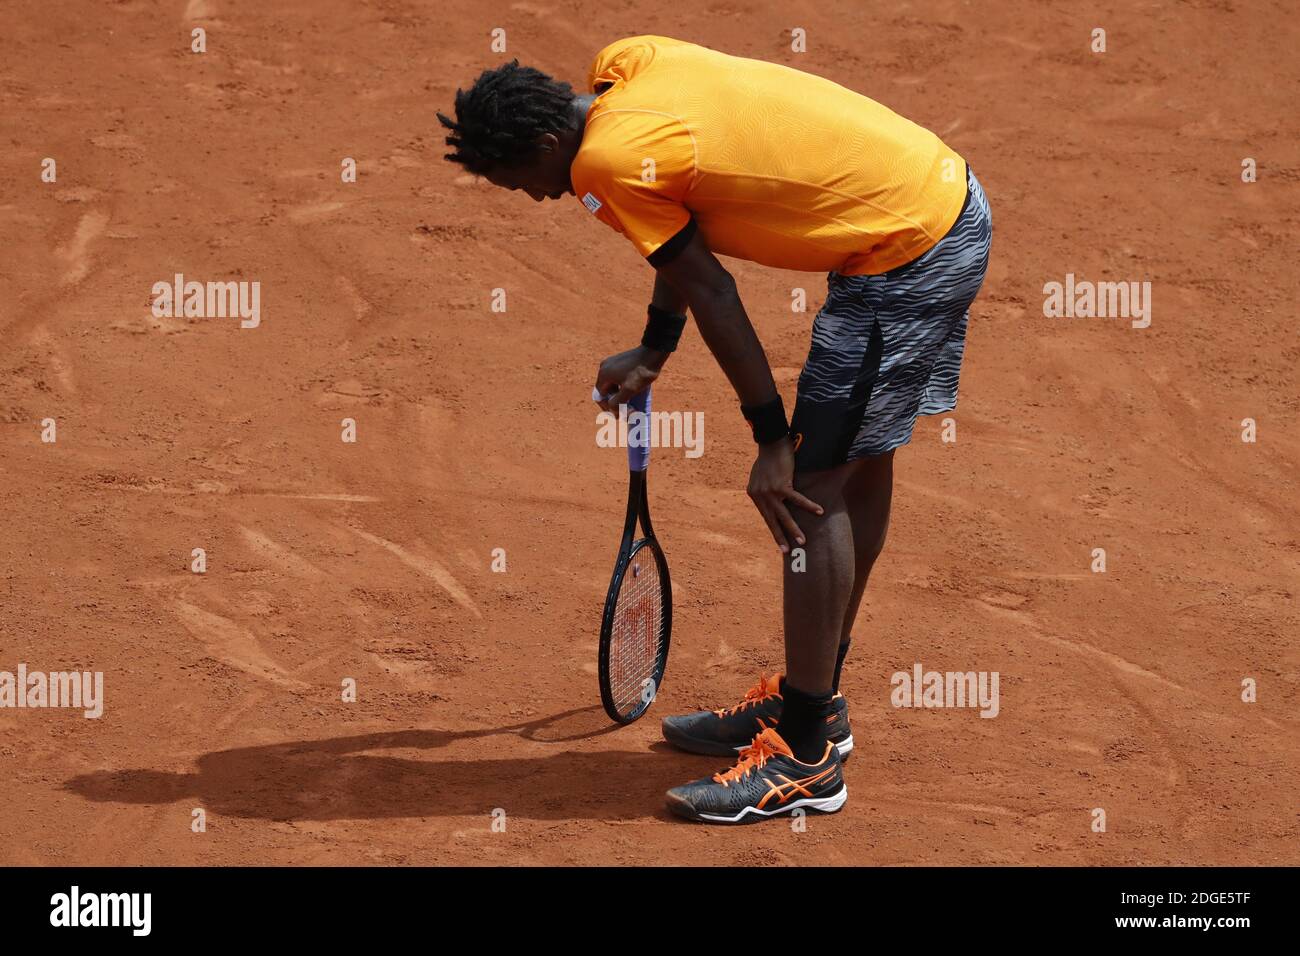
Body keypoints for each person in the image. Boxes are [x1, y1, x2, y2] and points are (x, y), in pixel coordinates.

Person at [438, 35, 992, 824]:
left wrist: (772, 441)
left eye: (517, 179)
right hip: (937, 199)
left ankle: (806, 758)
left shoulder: (599, 168)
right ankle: (814, 702)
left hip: (906, 251)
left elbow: (714, 288)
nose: (529, 197)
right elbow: (679, 224)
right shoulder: (625, 67)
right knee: (856, 463)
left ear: (548, 144)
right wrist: (655, 349)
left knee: (806, 488)